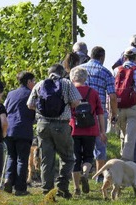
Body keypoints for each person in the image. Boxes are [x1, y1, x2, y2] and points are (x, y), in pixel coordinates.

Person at [27, 64, 81, 199]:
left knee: (46, 159)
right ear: (62, 73)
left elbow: (30, 105)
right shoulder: (66, 83)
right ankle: (62, 186)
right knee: (68, 158)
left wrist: (43, 110)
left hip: (43, 126)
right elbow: (76, 102)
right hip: (61, 125)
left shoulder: (39, 84)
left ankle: (47, 191)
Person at [80, 46, 117, 183]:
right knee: (100, 145)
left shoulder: (78, 70)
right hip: (98, 114)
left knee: (80, 144)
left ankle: (80, 173)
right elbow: (112, 96)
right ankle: (99, 176)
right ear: (102, 57)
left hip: (79, 113)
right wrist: (114, 113)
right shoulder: (106, 72)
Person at [69, 67, 104, 196]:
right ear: (85, 78)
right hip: (91, 129)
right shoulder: (93, 92)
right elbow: (100, 112)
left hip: (74, 128)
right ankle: (85, 173)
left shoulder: (70, 92)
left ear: (72, 78)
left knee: (75, 158)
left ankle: (76, 188)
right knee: (88, 156)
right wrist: (103, 131)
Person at [2, 71, 36, 196]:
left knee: (11, 156)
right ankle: (20, 188)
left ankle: (8, 180)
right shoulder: (32, 94)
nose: (35, 83)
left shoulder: (11, 94)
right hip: (23, 129)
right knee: (22, 159)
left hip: (9, 129)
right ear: (28, 82)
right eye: (33, 81)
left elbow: (5, 109)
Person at [114, 47, 136, 162]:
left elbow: (111, 90)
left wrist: (112, 110)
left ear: (124, 57)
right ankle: (126, 161)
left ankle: (122, 157)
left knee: (123, 134)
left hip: (119, 106)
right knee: (130, 138)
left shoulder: (116, 70)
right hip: (132, 106)